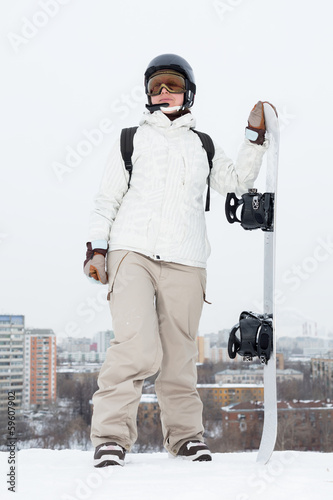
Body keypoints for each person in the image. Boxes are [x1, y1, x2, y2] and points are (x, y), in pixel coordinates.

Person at [84, 53, 270, 467]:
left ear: (188, 92)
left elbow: (237, 182)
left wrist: (254, 138)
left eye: (172, 85)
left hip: (187, 259)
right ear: (148, 95)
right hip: (131, 251)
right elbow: (105, 201)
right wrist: (97, 249)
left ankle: (186, 437)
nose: (164, 92)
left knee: (180, 353)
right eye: (156, 87)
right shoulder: (129, 139)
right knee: (135, 347)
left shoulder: (202, 144)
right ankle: (111, 437)